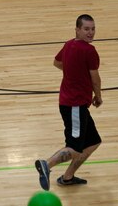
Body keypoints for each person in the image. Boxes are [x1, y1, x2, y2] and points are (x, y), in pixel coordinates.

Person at [35, 14, 103, 190]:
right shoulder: (90, 51)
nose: (90, 33)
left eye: (93, 29)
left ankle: (67, 177)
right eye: (86, 29)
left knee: (93, 142)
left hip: (72, 104)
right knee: (74, 147)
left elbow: (57, 63)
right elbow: (95, 79)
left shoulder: (68, 44)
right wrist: (98, 96)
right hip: (75, 105)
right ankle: (46, 165)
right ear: (77, 30)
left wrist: (74, 72)